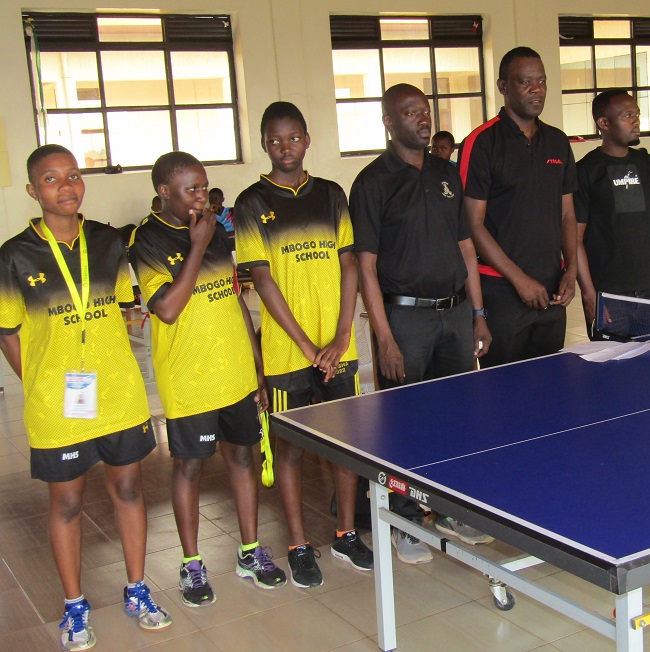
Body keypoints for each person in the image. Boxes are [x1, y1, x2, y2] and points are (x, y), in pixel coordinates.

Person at [0, 144, 171, 651]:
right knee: (67, 502)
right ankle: (74, 606)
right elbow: (7, 332)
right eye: (51, 179)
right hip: (59, 405)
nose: (66, 186)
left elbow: (122, 309)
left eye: (73, 175)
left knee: (129, 490)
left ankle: (137, 590)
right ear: (33, 191)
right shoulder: (14, 255)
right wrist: (41, 382)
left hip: (117, 393)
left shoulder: (106, 241)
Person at [129, 151, 286, 608]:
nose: (203, 197)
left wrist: (256, 365)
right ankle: (192, 562)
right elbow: (167, 308)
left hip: (234, 370)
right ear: (164, 192)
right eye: (191, 190)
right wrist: (197, 245)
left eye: (204, 187)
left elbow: (233, 297)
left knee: (243, 457)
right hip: (190, 376)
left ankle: (250, 552)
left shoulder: (213, 228)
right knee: (190, 466)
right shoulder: (147, 238)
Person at [350, 83, 492, 564]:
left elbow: (466, 249)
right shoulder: (372, 182)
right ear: (389, 122)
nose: (422, 118)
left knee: (456, 417)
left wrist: (477, 314)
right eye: (410, 112)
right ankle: (405, 519)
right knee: (405, 425)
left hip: (454, 314)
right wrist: (384, 337)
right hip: (405, 320)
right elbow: (366, 266)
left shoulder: (446, 173)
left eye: (425, 110)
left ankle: (450, 510)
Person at [234, 101, 373, 588]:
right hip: (286, 353)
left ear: (307, 139)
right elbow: (262, 280)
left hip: (338, 348)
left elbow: (350, 265)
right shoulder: (250, 203)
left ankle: (345, 533)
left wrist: (341, 335)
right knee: (289, 448)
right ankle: (297, 544)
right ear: (264, 144)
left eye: (293, 138)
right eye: (274, 140)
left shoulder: (332, 194)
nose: (285, 147)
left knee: (344, 445)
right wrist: (308, 347)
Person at [459, 46, 577, 365]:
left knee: (550, 381)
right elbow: (472, 225)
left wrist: (571, 270)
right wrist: (519, 279)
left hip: (551, 289)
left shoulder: (558, 141)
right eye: (525, 82)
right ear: (503, 87)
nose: (536, 89)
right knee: (505, 387)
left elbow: (568, 214)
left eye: (542, 81)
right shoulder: (481, 143)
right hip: (502, 291)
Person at [574, 89, 650, 339]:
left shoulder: (646, 164)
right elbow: (574, 239)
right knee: (612, 363)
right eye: (627, 116)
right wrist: (590, 294)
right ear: (604, 123)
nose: (636, 121)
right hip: (609, 297)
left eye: (637, 114)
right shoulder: (586, 170)